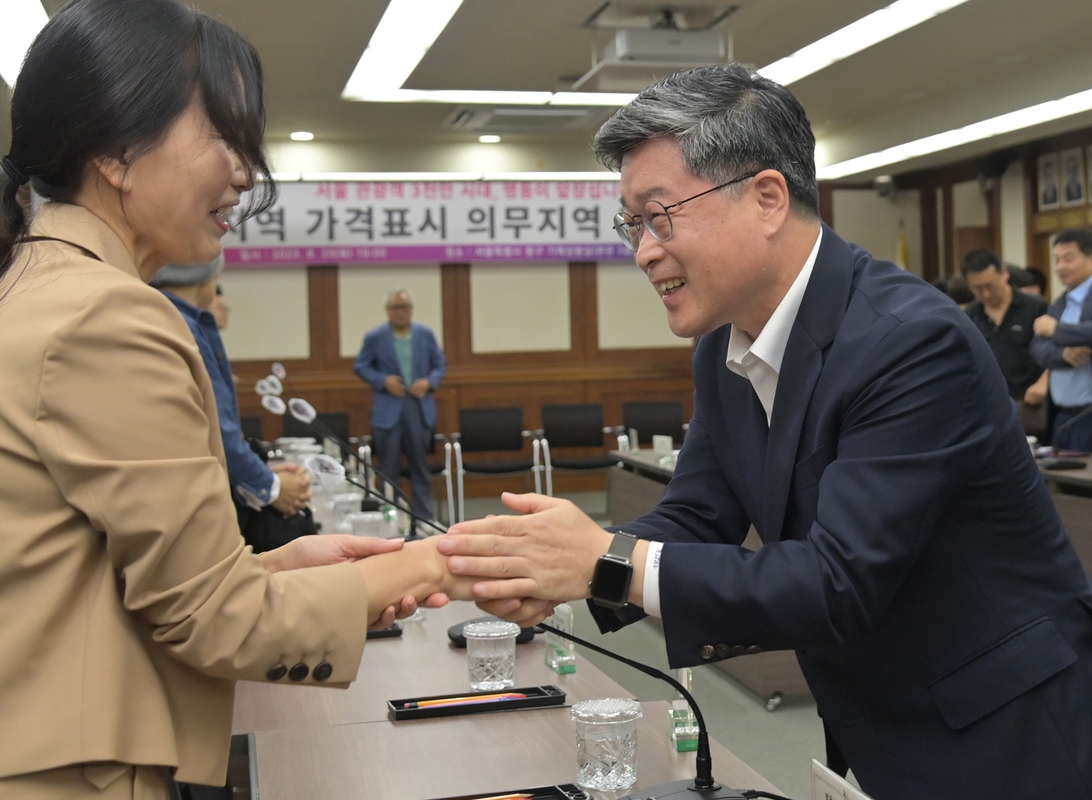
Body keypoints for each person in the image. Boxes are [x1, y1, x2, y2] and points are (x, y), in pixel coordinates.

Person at [439, 64, 1092, 799]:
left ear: (767, 198)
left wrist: (603, 561)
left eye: (661, 216)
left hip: (1008, 733)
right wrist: (532, 569)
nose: (643, 251)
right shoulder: (725, 347)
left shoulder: (910, 340)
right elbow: (699, 514)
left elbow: (836, 580)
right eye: (632, 225)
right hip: (886, 723)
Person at [0, 2, 473, 797]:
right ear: (117, 152)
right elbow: (216, 619)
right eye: (225, 137)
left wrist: (272, 570)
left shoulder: (28, 289)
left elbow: (77, 576)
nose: (244, 172)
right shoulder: (105, 314)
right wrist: (451, 558)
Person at [152, 258, 315, 552]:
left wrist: (264, 478)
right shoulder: (178, 324)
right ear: (208, 275)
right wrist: (271, 486)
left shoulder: (167, 316)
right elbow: (216, 430)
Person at [354, 289, 447, 523]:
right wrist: (383, 380)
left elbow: (440, 365)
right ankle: (391, 519)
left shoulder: (425, 334)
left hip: (418, 407)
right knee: (389, 469)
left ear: (412, 309)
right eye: (396, 307)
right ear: (388, 311)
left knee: (421, 468)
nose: (401, 312)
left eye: (405, 307)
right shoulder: (375, 336)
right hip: (388, 409)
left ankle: (424, 518)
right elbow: (361, 366)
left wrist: (429, 382)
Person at [960, 248, 1049, 434]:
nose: (985, 294)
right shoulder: (969, 316)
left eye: (990, 286)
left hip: (1031, 404)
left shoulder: (1035, 306)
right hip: (990, 409)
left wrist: (1044, 382)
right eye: (977, 289)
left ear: (1005, 273)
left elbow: (1054, 351)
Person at [1031, 228, 1092, 451]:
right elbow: (1037, 346)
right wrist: (1064, 355)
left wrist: (1057, 330)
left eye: (1068, 259)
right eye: (1056, 260)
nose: (1059, 267)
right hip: (1063, 415)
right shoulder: (1061, 302)